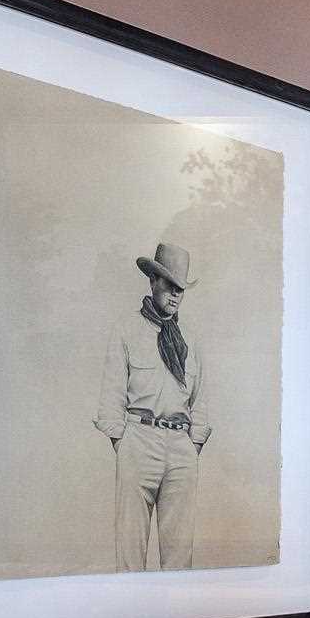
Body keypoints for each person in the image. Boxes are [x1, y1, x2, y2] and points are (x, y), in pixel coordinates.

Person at [94, 241, 211, 570]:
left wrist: (191, 446)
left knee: (179, 558)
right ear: (152, 281)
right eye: (169, 285)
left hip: (181, 448)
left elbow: (200, 400)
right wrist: (124, 443)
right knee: (130, 554)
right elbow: (111, 396)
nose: (174, 295)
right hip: (139, 442)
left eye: (180, 289)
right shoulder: (127, 330)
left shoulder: (190, 339)